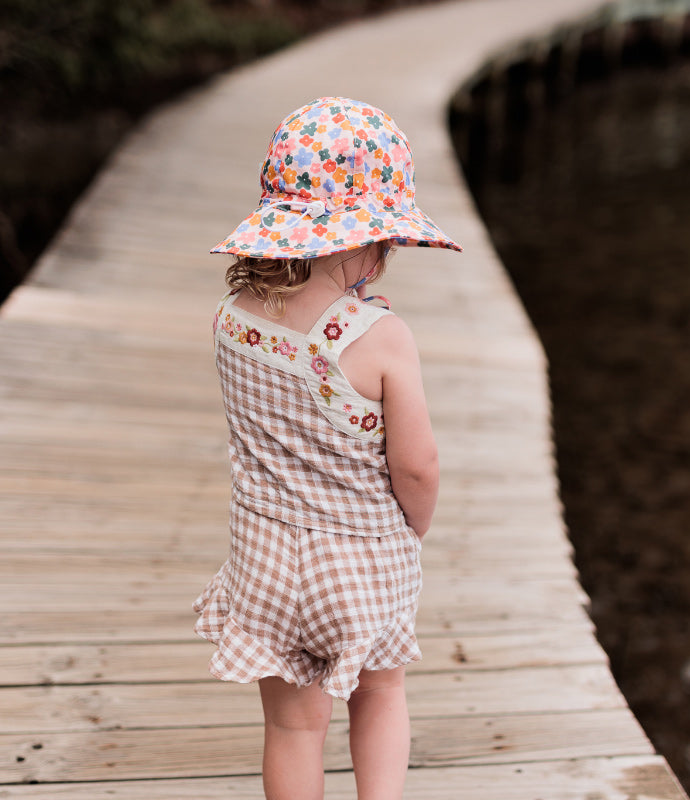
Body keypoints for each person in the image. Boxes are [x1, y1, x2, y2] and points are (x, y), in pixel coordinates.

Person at [192, 96, 461, 800]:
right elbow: (416, 463)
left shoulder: (231, 317)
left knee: (292, 728)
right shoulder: (379, 336)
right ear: (366, 238)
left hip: (265, 557)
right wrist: (416, 524)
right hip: (362, 557)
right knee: (380, 693)